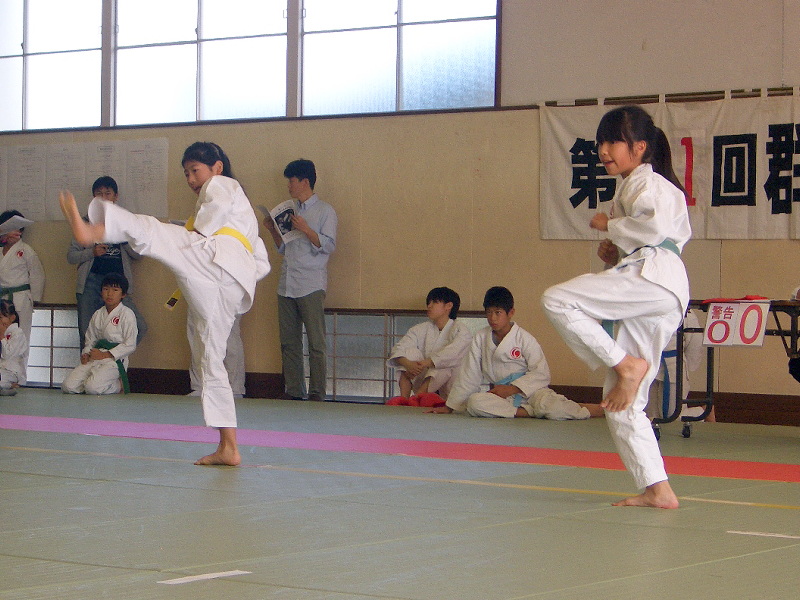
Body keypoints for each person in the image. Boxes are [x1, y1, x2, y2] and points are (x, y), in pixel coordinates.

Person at [59, 141, 270, 466]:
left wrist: (192, 235)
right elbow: (261, 261)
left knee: (154, 230)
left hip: (216, 263)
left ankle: (94, 231)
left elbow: (206, 225)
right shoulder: (243, 218)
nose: (190, 178)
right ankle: (229, 446)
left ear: (216, 167)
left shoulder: (224, 184)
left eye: (194, 170)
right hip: (229, 282)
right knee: (211, 358)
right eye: (186, 173)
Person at [541, 105, 691, 509]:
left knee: (558, 298)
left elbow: (654, 230)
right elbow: (644, 236)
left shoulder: (650, 183)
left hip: (654, 277)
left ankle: (626, 363)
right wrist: (616, 251)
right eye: (601, 143)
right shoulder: (630, 185)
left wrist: (612, 227)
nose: (604, 150)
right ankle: (658, 490)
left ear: (640, 147)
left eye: (613, 142)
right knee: (621, 402)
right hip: (656, 286)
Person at [428, 286, 604, 419]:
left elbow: (542, 373)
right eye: (489, 313)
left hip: (532, 393)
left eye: (498, 313)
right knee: (475, 402)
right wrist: (451, 406)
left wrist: (512, 388)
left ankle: (586, 409)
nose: (493, 318)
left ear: (510, 312)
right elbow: (469, 375)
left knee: (554, 408)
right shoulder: (481, 338)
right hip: (501, 397)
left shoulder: (524, 339)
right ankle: (526, 413)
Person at [263, 159, 337, 402]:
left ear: (305, 181)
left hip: (311, 283)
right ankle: (294, 391)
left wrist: (306, 228)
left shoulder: (325, 211)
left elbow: (328, 245)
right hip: (286, 283)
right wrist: (273, 230)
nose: (289, 187)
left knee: (316, 343)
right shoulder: (289, 210)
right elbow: (283, 249)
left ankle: (317, 393)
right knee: (289, 342)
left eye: (291, 181)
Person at [67, 176, 148, 348]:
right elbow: (71, 256)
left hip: (118, 285)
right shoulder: (84, 223)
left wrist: (123, 238)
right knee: (86, 333)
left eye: (107, 193)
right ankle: (88, 371)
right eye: (99, 194)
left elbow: (139, 255)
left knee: (139, 327)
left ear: (115, 197)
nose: (103, 198)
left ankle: (110, 360)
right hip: (90, 282)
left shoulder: (126, 221)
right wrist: (92, 253)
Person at [386, 287, 473, 406]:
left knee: (444, 362)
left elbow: (453, 354)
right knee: (409, 353)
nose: (429, 306)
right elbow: (398, 349)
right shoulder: (420, 328)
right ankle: (404, 400)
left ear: (448, 306)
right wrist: (408, 364)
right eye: (429, 303)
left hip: (451, 387)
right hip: (422, 376)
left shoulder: (461, 330)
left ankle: (417, 398)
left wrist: (426, 363)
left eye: (435, 302)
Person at [62, 273, 137, 395]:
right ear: (101, 292)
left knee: (93, 389)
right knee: (68, 387)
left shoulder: (127, 314)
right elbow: (90, 339)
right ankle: (91, 382)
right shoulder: (98, 313)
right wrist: (86, 353)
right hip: (95, 355)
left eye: (115, 290)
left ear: (123, 294)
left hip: (115, 360)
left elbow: (130, 344)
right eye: (106, 289)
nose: (110, 293)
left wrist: (106, 354)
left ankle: (118, 385)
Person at [0, 210, 45, 357]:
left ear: (20, 230)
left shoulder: (26, 250)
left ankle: (20, 377)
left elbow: (37, 275)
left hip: (20, 298)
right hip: (2, 298)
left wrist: (35, 298)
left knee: (21, 335)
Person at [0, 299, 28, 396]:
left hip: (11, 371)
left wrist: (2, 337)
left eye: (1, 317)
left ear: (12, 318)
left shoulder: (17, 333)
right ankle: (5, 389)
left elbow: (8, 354)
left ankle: (8, 386)